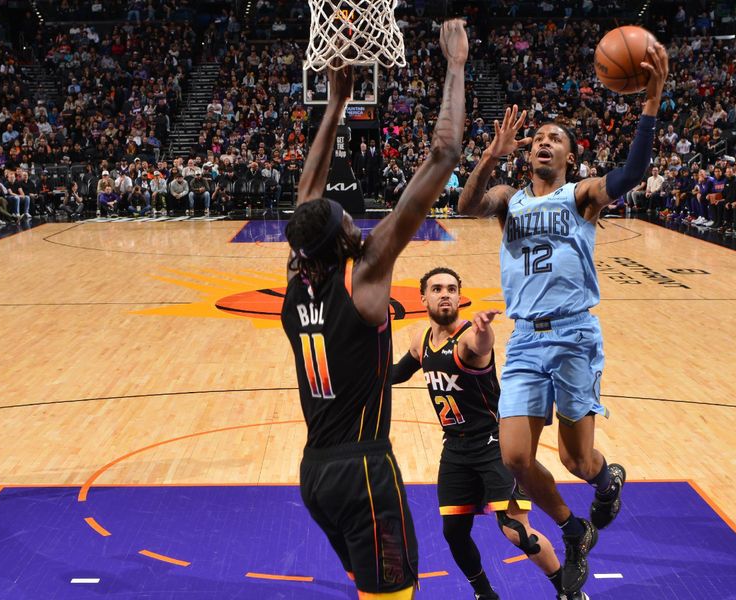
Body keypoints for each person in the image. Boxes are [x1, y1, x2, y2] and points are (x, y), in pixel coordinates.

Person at [457, 41, 669, 595]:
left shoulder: (582, 197)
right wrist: (490, 155)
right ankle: (573, 531)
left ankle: (605, 476)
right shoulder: (509, 200)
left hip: (574, 335)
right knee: (516, 458)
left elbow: (632, 172)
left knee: (577, 460)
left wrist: (651, 100)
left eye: (556, 139)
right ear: (529, 154)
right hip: (525, 338)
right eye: (539, 138)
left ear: (569, 158)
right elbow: (464, 207)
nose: (545, 143)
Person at [280, 20, 468, 600]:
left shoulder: (297, 279)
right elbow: (445, 155)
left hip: (314, 472)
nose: (354, 220)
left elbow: (306, 198)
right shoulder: (364, 276)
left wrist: (336, 104)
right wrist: (455, 66)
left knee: (369, 587)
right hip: (363, 471)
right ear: (342, 238)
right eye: (347, 219)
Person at [392, 267, 588, 600]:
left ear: (459, 297)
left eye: (452, 289)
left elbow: (482, 345)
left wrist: (484, 330)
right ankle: (485, 593)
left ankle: (567, 592)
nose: (445, 294)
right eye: (437, 288)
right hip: (455, 449)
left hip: (493, 445)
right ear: (423, 297)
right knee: (453, 532)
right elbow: (395, 374)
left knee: (515, 531)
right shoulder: (419, 342)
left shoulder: (469, 338)